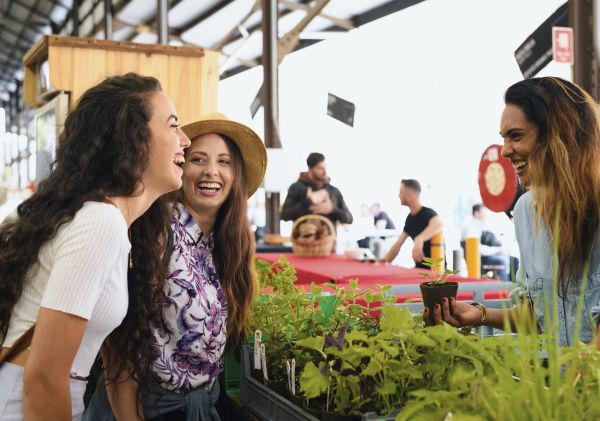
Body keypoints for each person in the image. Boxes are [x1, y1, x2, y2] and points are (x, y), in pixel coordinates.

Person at [0, 73, 191, 419]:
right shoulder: (100, 223)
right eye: (174, 125)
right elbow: (43, 376)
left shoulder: (106, 221)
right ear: (135, 140)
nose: (185, 140)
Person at [84, 113, 267, 420]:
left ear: (235, 175)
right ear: (179, 166)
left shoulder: (226, 244)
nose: (211, 171)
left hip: (204, 403)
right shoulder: (157, 230)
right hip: (147, 407)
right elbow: (118, 346)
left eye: (224, 162)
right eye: (198, 159)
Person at [429, 76, 600, 348]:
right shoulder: (526, 211)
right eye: (504, 138)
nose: (506, 151)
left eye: (516, 136)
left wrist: (577, 381)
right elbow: (540, 316)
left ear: (560, 135)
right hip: (561, 382)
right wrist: (480, 314)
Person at [382, 179, 443, 268]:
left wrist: (419, 239)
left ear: (410, 195)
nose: (399, 195)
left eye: (401, 192)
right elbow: (397, 245)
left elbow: (439, 224)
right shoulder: (410, 218)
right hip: (419, 270)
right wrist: (383, 262)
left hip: (436, 272)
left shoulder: (428, 213)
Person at [281, 152, 353, 226]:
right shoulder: (296, 188)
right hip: (304, 236)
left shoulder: (333, 191)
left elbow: (349, 218)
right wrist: (307, 202)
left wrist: (332, 209)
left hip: (328, 236)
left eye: (325, 168)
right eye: (320, 168)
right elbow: (284, 215)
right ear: (310, 168)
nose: (325, 172)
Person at [461, 204, 510, 281]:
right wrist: (498, 250)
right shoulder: (470, 227)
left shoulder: (482, 225)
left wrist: (501, 249)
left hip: (486, 256)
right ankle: (505, 290)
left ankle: (515, 289)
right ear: (476, 213)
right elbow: (478, 249)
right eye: (484, 212)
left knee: (514, 260)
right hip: (479, 259)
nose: (486, 214)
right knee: (502, 261)